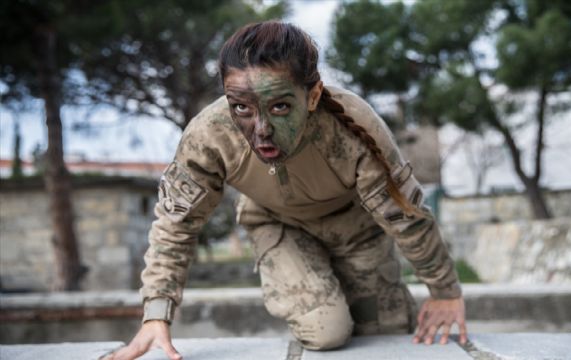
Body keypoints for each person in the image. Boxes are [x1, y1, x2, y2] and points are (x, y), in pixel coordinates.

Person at [108, 21, 467, 360]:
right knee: (328, 330)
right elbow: (176, 224)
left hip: (358, 232)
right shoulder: (210, 136)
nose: (261, 129)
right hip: (278, 226)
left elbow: (405, 214)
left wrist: (445, 291)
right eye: (242, 109)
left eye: (280, 107)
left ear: (312, 96)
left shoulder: (355, 126)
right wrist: (157, 313)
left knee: (386, 338)